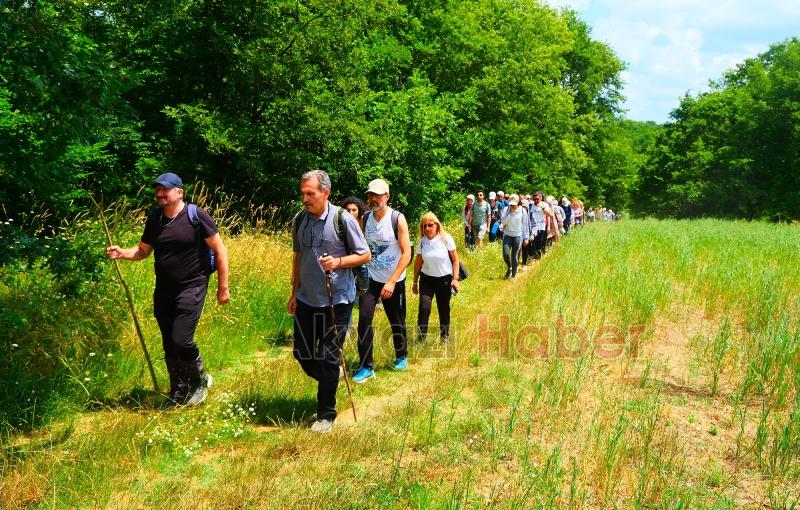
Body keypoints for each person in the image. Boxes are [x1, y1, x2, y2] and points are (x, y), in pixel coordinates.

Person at [106, 172, 230, 407]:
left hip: (192, 285)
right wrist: (123, 253)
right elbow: (142, 251)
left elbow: (220, 250)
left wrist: (223, 287)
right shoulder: (155, 219)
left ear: (179, 192)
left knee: (181, 339)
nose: (160, 194)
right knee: (168, 342)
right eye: (157, 190)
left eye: (165, 189)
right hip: (164, 289)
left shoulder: (196, 216)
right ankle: (178, 388)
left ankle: (199, 381)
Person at [288, 170, 370, 433]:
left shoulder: (342, 219)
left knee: (328, 355)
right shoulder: (300, 219)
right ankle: (331, 374)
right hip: (306, 299)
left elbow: (365, 255)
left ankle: (326, 415)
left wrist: (338, 262)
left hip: (337, 301)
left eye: (310, 193)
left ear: (325, 193)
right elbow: (298, 257)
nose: (305, 199)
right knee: (301, 352)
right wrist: (294, 291)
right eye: (303, 193)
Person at [353, 178, 412, 383]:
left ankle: (401, 355)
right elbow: (359, 246)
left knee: (396, 320)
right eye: (371, 195)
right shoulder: (366, 218)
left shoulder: (397, 219)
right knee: (364, 321)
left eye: (378, 195)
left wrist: (392, 281)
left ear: (387, 197)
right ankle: (366, 366)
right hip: (371, 280)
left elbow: (407, 254)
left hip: (394, 279)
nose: (373, 198)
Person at [412, 212, 459, 343]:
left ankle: (444, 337)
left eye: (430, 225)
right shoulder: (421, 242)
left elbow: (455, 260)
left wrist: (455, 279)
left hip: (444, 280)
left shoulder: (446, 239)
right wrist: (415, 282)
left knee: (443, 308)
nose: (427, 228)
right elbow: (417, 263)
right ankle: (421, 339)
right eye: (424, 226)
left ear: (437, 225)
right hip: (427, 279)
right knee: (424, 307)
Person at [500, 194, 527, 280]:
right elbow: (503, 222)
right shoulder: (506, 210)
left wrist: (526, 237)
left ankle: (514, 275)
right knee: (506, 254)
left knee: (514, 256)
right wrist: (510, 214)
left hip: (517, 236)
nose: (512, 206)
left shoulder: (523, 211)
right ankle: (510, 267)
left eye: (514, 204)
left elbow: (525, 225)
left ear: (518, 202)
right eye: (511, 204)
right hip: (507, 235)